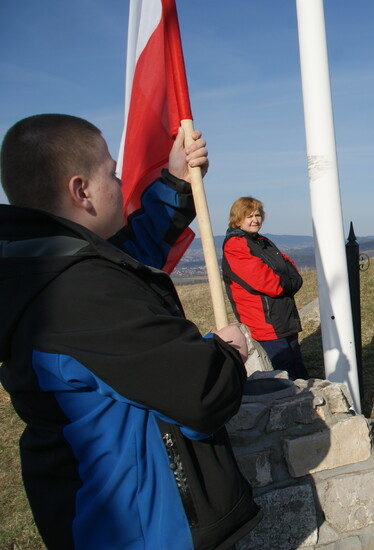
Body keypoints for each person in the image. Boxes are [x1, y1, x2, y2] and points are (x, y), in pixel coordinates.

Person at [0, 114, 261, 549]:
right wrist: (227, 353)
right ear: (81, 190)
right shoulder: (78, 293)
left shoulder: (42, 264)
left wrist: (177, 183)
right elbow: (201, 390)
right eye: (111, 173)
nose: (120, 183)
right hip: (140, 531)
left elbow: (128, 254)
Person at [222, 196, 308, 380]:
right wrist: (290, 282)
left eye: (258, 215)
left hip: (284, 319)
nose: (255, 220)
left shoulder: (263, 241)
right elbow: (267, 282)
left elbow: (290, 267)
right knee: (284, 375)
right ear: (238, 219)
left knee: (297, 366)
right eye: (249, 216)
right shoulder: (236, 245)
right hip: (266, 324)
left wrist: (291, 280)